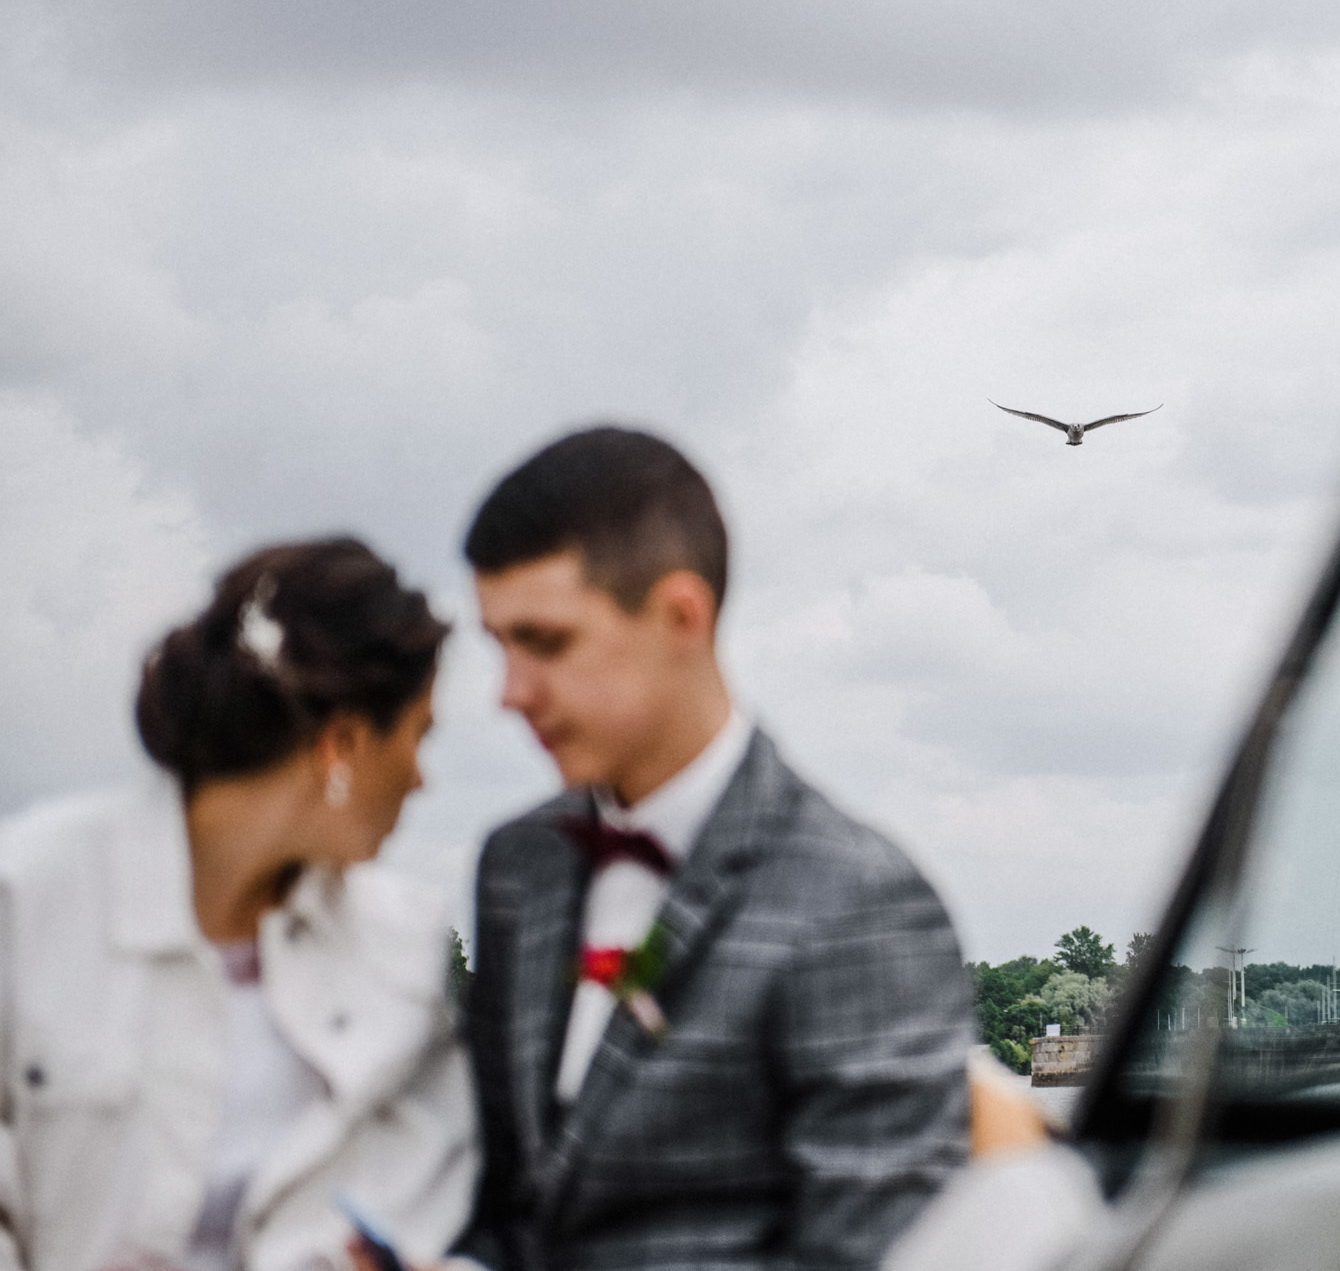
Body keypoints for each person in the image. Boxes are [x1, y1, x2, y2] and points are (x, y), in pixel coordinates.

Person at [455, 428, 970, 1271]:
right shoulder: (518, 865)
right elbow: (507, 1206)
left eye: (545, 642)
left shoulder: (864, 905)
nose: (510, 692)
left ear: (680, 617)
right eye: (499, 644)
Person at [0, 540, 478, 1271]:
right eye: (418, 737)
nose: (421, 779)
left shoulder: (407, 948)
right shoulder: (26, 895)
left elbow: (434, 1204)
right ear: (343, 743)